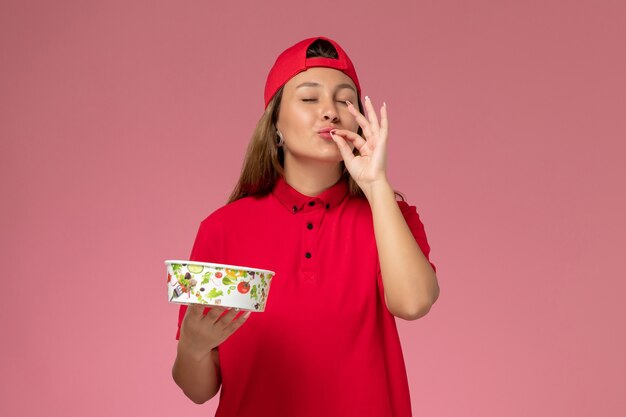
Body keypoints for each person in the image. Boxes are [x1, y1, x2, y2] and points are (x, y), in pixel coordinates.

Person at [172, 36, 440, 417]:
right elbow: (198, 390)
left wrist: (377, 184)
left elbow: (413, 303)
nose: (330, 112)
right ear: (274, 122)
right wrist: (193, 348)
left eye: (344, 99)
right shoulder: (221, 230)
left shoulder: (390, 216)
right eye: (310, 99)